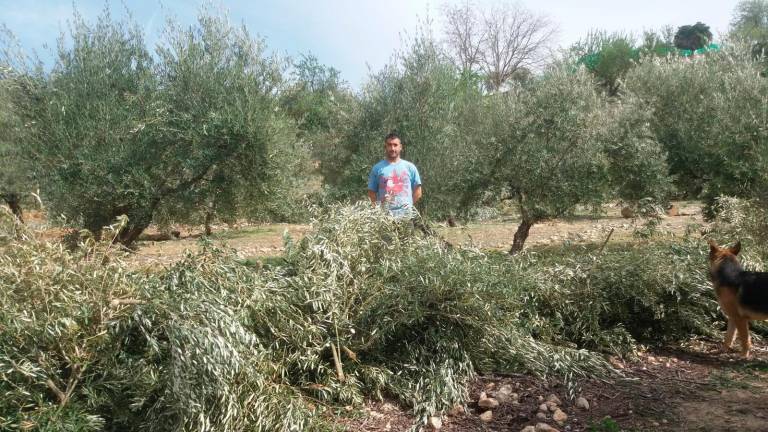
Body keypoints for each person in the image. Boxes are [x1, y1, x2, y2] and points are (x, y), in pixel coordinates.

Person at [367, 133, 422, 217]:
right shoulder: (377, 168)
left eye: (395, 145)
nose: (392, 148)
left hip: (406, 218)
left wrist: (408, 207)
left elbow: (418, 192)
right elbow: (371, 193)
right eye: (389, 145)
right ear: (385, 147)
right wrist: (378, 211)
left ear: (400, 147)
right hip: (385, 219)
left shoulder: (410, 167)